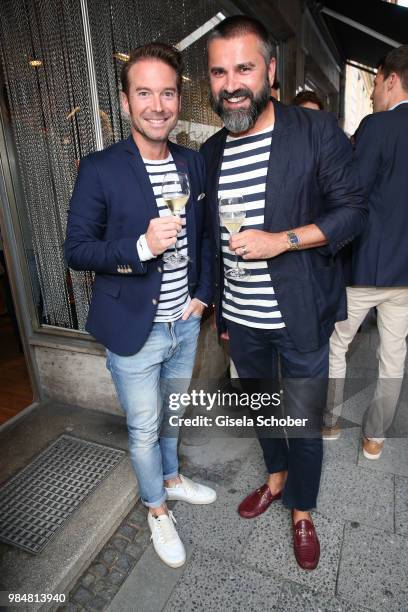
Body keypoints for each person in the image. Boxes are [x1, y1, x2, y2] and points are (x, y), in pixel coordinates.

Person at [200, 15, 367, 570]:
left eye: (244, 67)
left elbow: (352, 214)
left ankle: (303, 511)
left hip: (299, 318)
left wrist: (283, 241)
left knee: (301, 422)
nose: (232, 83)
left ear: (270, 70)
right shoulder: (211, 152)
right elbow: (211, 239)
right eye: (220, 72)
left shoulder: (314, 131)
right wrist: (221, 310)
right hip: (242, 322)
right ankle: (275, 479)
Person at [65, 42, 216, 569]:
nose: (157, 105)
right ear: (126, 103)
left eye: (167, 93)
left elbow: (205, 240)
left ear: (179, 99)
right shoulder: (100, 168)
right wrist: (139, 247)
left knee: (171, 416)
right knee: (144, 428)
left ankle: (171, 480)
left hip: (184, 323)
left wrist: (201, 297)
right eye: (144, 93)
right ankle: (155, 510)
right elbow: (76, 249)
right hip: (135, 328)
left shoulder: (194, 163)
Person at [326, 45, 408, 458]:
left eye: (375, 82)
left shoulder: (378, 126)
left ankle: (330, 422)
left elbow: (352, 196)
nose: (374, 91)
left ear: (391, 78)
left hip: (366, 265)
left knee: (336, 344)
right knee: (393, 358)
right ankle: (375, 438)